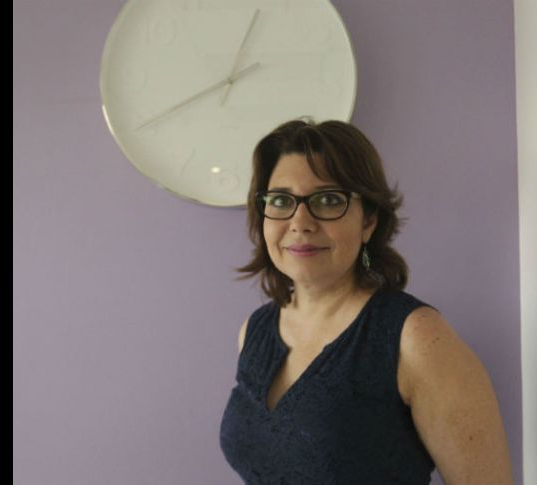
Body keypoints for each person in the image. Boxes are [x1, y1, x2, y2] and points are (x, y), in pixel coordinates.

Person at [220, 118, 513, 485]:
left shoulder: (415, 337)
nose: (300, 222)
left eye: (329, 199)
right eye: (280, 200)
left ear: (369, 221)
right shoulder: (254, 332)